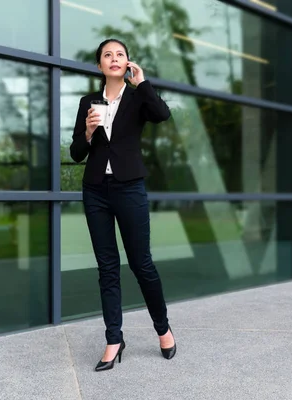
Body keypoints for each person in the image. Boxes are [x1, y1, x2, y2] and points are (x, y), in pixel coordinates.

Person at [70, 38, 176, 371]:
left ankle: (163, 328)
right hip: (96, 191)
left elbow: (162, 114)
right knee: (107, 267)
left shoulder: (137, 96)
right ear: (99, 65)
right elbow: (76, 153)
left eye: (120, 55)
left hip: (130, 188)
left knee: (142, 263)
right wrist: (87, 134)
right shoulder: (89, 101)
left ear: (127, 62)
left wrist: (142, 83)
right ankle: (114, 339)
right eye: (107, 55)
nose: (114, 59)